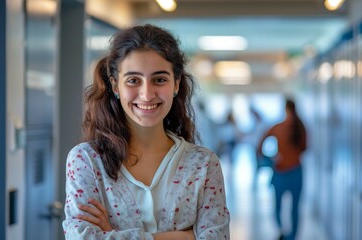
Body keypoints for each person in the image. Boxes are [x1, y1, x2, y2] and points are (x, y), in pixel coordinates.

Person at [62, 24, 230, 240]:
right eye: (133, 80)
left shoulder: (203, 164)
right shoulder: (86, 160)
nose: (147, 94)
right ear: (115, 85)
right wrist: (183, 237)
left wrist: (113, 235)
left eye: (159, 79)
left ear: (176, 84)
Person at [256, 98, 307, 240]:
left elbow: (259, 147)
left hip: (280, 172)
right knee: (295, 208)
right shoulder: (301, 128)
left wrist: (270, 160)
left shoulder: (278, 127)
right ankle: (292, 237)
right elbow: (304, 148)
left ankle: (282, 232)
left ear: (285, 109)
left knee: (277, 206)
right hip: (297, 172)